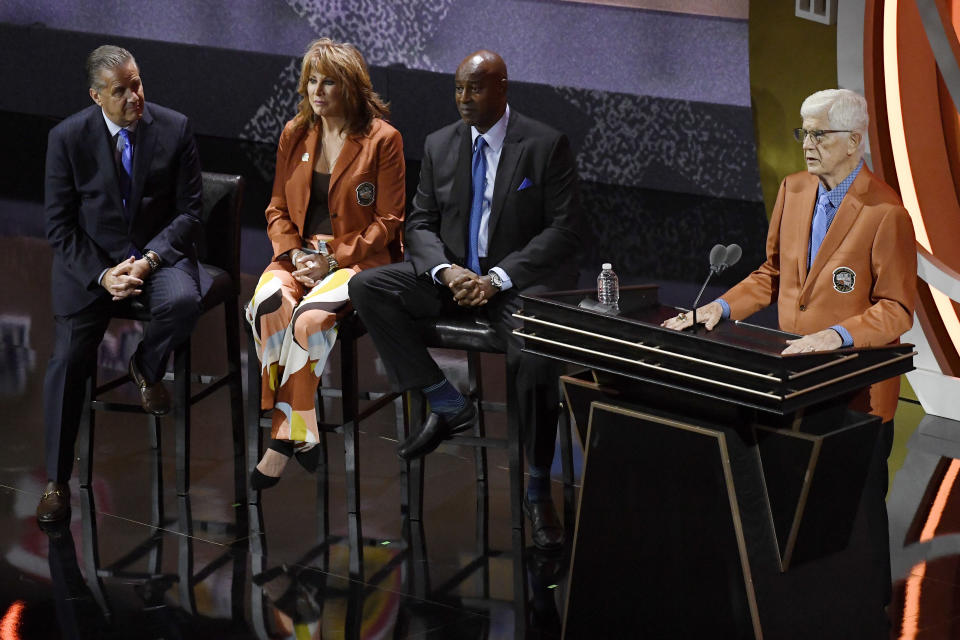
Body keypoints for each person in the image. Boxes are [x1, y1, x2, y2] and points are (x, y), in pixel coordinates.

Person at [662, 88, 916, 618]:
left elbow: (896, 309)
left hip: (856, 392)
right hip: (791, 382)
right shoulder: (794, 190)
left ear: (854, 142)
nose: (808, 144)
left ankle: (870, 614)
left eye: (819, 134)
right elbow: (771, 275)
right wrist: (719, 310)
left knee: (857, 513)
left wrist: (838, 335)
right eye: (804, 132)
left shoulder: (885, 211)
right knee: (796, 507)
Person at [349, 50, 582, 551]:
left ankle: (538, 489)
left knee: (535, 349)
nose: (463, 99)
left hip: (512, 286)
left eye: (474, 89)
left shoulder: (544, 145)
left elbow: (563, 232)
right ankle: (445, 400)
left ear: (502, 88)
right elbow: (419, 223)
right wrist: (446, 270)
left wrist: (495, 278)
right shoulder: (439, 144)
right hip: (452, 280)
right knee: (368, 287)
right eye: (458, 89)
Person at [38, 45, 207, 525]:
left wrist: (150, 260)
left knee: (182, 301)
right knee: (69, 360)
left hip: (158, 253)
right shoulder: (66, 138)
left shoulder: (174, 127)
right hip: (92, 265)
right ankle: (55, 480)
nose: (135, 96)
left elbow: (189, 212)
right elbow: (59, 227)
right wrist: (102, 274)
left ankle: (146, 365)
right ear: (96, 96)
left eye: (137, 83)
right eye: (120, 90)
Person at [246, 38, 404, 490]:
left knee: (309, 321)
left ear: (350, 88)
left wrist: (331, 257)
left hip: (359, 259)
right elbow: (277, 208)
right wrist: (294, 253)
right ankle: (304, 429)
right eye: (312, 81)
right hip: (298, 254)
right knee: (270, 308)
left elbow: (389, 222)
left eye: (328, 82)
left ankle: (281, 439)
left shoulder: (382, 140)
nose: (317, 91)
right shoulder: (295, 133)